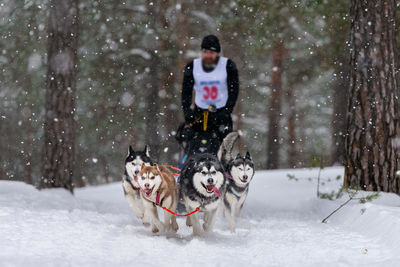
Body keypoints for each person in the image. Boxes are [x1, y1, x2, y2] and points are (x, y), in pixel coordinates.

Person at [177, 34, 239, 157]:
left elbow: (234, 90)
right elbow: (186, 91)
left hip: (221, 113)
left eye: (211, 52)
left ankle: (226, 171)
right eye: (205, 51)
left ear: (217, 53)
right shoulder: (193, 66)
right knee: (194, 147)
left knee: (224, 150)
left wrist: (227, 110)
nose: (208, 55)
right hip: (200, 114)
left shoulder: (227, 65)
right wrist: (187, 111)